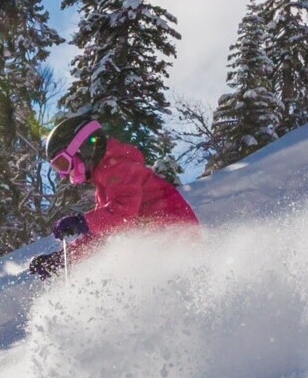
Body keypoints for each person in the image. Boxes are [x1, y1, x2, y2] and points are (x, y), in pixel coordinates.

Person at [28, 115, 199, 279]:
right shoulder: (104, 184)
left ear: (82, 148)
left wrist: (82, 222)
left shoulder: (120, 168)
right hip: (157, 239)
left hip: (172, 233)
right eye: (59, 168)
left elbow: (123, 212)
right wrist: (63, 258)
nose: (65, 174)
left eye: (63, 163)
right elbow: (102, 232)